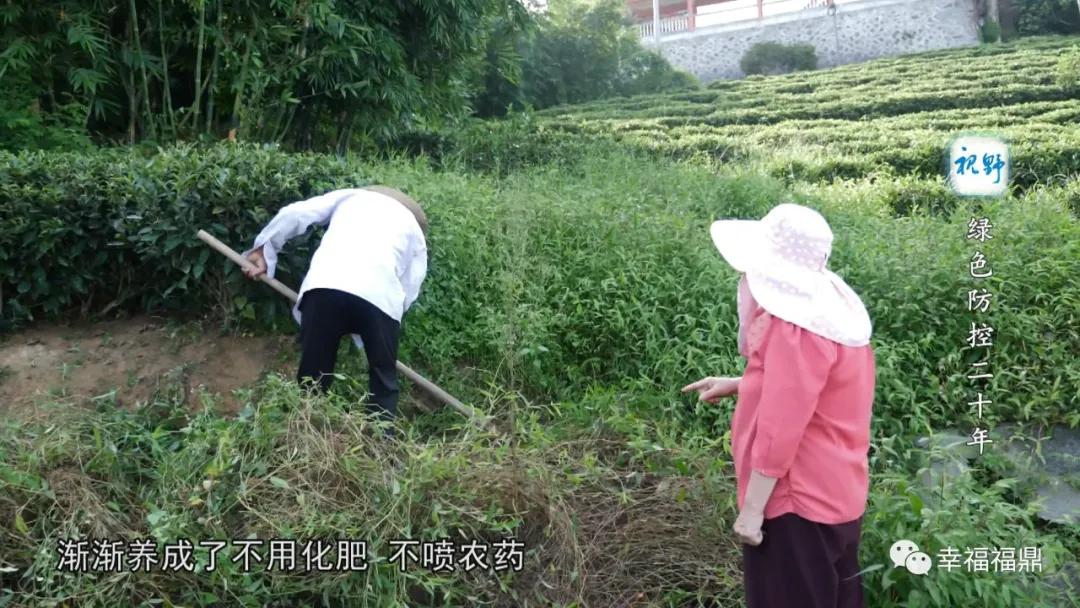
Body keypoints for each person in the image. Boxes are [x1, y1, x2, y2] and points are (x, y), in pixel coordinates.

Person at [682, 203, 876, 608]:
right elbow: (815, 389)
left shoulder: (794, 328)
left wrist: (752, 511)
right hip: (837, 493)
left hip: (796, 505)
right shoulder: (828, 319)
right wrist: (741, 384)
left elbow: (780, 428)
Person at [242, 186, 428, 422]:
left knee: (313, 375)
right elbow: (411, 284)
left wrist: (263, 249)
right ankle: (381, 447)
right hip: (380, 298)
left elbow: (295, 213)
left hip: (324, 286)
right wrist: (384, 325)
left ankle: (306, 435)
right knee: (383, 381)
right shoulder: (413, 228)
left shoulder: (351, 196)